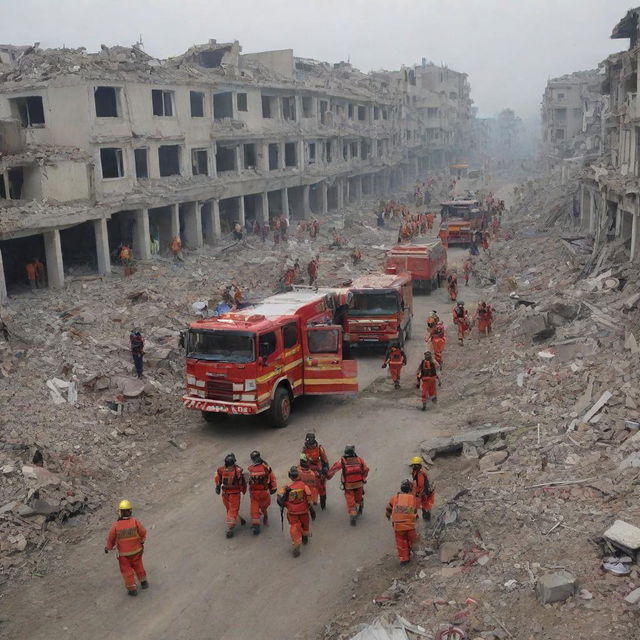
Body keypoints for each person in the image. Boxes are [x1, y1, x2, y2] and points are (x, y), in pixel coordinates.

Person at [104, 499, 148, 596]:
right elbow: (143, 532)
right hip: (137, 551)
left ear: (120, 512)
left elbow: (111, 538)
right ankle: (144, 582)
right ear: (130, 511)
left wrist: (108, 548)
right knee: (139, 566)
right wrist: (141, 540)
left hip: (124, 555)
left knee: (126, 571)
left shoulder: (116, 525)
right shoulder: (135, 522)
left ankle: (132, 589)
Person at [326, 445, 369, 526]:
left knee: (350, 500)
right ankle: (360, 504)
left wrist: (328, 476)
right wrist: (363, 478)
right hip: (359, 484)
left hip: (348, 486)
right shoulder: (360, 460)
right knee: (358, 498)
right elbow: (366, 469)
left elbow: (334, 468)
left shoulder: (343, 461)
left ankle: (353, 513)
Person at [277, 466, 312, 557]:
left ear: (290, 476)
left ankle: (296, 544)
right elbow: (309, 495)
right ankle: (305, 537)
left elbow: (279, 497)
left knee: (294, 527)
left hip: (292, 513)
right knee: (305, 525)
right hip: (304, 511)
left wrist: (286, 505)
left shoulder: (286, 487)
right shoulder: (304, 486)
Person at [385, 480, 420, 565]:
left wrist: (388, 515)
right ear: (410, 489)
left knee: (401, 542)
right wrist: (416, 518)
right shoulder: (412, 498)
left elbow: (389, 508)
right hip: (410, 526)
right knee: (413, 540)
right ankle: (416, 552)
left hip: (398, 526)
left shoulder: (395, 498)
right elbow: (414, 511)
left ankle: (404, 559)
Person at [214, 453, 247, 538]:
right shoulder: (238, 470)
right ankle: (230, 528)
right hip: (234, 494)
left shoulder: (221, 470)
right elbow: (242, 482)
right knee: (232, 510)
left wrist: (217, 487)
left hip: (225, 494)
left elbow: (217, 479)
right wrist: (243, 490)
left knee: (230, 509)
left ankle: (240, 519)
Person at [247, 450, 277, 535]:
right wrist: (273, 488)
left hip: (254, 494)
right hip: (264, 492)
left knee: (254, 510)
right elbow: (272, 478)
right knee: (263, 507)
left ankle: (256, 525)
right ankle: (264, 516)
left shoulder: (251, 469)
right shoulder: (266, 467)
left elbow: (248, 480)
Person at [302, 433, 330, 510]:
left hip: (319, 470)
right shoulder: (304, 450)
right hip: (309, 470)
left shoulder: (319, 448)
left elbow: (325, 460)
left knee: (321, 488)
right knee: (308, 488)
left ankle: (323, 504)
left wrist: (325, 468)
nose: (311, 446)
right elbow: (302, 462)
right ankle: (312, 502)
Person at [409, 457, 434, 521]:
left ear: (417, 465)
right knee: (418, 506)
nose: (412, 466)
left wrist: (417, 494)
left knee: (424, 506)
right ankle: (421, 517)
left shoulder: (420, 474)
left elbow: (421, 486)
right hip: (422, 492)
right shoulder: (416, 472)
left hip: (424, 493)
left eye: (414, 465)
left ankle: (427, 519)